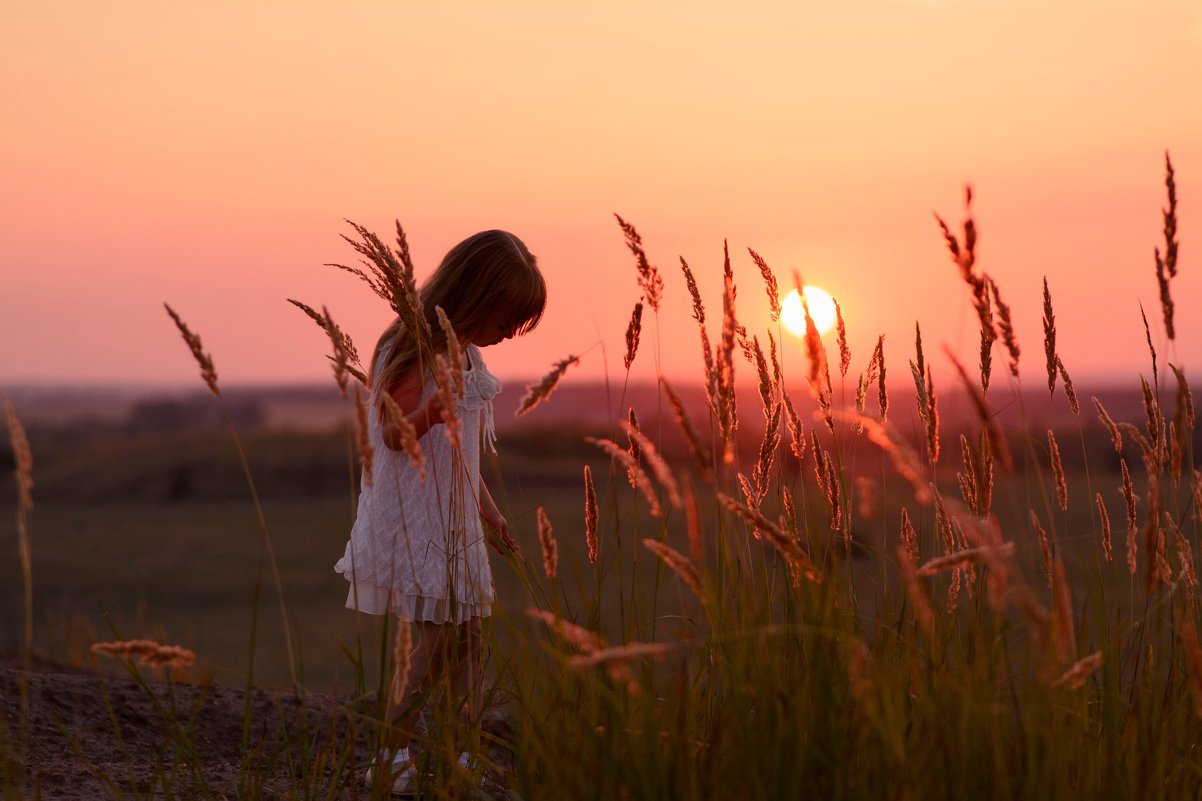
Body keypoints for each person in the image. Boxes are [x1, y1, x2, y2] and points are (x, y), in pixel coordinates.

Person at [334, 229, 545, 793]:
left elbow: (462, 453)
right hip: (417, 515)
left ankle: (460, 748)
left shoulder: (468, 353)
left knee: (469, 638)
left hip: (454, 516)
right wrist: (433, 406)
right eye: (505, 320)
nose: (506, 335)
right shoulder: (410, 345)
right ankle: (390, 751)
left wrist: (489, 512)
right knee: (433, 641)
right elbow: (392, 433)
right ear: (475, 294)